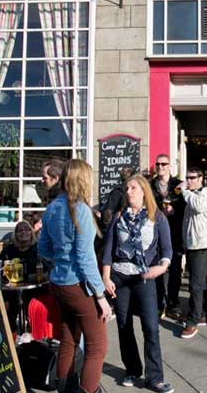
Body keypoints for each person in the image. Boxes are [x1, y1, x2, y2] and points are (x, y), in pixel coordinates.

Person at [38, 159, 111, 393]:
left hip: (59, 282)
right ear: (83, 180)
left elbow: (44, 250)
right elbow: (86, 259)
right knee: (97, 346)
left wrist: (61, 259)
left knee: (68, 339)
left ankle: (64, 388)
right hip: (78, 285)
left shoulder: (52, 208)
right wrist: (101, 296)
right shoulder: (81, 210)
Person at [101, 175, 174, 393]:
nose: (129, 191)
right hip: (120, 276)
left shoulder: (157, 217)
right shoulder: (119, 216)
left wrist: (161, 268)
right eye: (127, 188)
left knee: (151, 326)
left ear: (144, 191)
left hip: (144, 277)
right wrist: (106, 277)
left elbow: (167, 249)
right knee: (124, 326)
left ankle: (155, 378)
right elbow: (108, 249)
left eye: (133, 188)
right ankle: (132, 369)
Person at [179, 167, 207, 339]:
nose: (188, 181)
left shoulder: (205, 194)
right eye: (187, 178)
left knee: (195, 284)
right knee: (200, 281)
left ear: (201, 178)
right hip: (192, 244)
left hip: (201, 245)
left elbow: (199, 206)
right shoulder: (193, 195)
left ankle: (193, 320)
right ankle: (203, 312)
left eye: (192, 178)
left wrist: (184, 191)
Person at [149, 153, 186, 320]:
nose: (160, 167)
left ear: (170, 166)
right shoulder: (150, 186)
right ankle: (159, 304)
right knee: (158, 269)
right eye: (158, 164)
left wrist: (175, 211)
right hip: (156, 233)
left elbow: (187, 207)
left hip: (175, 233)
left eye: (164, 164)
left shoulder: (179, 185)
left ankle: (173, 304)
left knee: (175, 271)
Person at [101, 166, 135, 231]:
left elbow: (107, 212)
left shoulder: (117, 192)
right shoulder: (118, 192)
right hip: (121, 228)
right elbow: (108, 213)